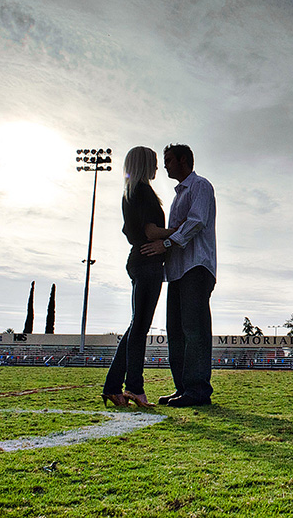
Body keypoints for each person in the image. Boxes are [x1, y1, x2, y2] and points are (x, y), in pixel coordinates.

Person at [141, 143, 217, 407]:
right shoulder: (177, 197)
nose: (165, 165)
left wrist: (166, 243)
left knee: (194, 330)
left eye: (170, 160)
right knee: (176, 331)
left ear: (184, 160)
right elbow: (177, 229)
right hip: (176, 272)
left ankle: (198, 390)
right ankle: (183, 387)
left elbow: (196, 222)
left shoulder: (201, 186)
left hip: (196, 267)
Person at [101, 146, 176, 408]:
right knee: (139, 327)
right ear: (144, 164)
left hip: (139, 261)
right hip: (147, 262)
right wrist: (179, 231)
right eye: (154, 163)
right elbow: (151, 231)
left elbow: (130, 230)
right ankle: (133, 386)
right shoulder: (143, 192)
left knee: (137, 327)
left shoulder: (130, 192)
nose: (157, 168)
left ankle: (112, 387)